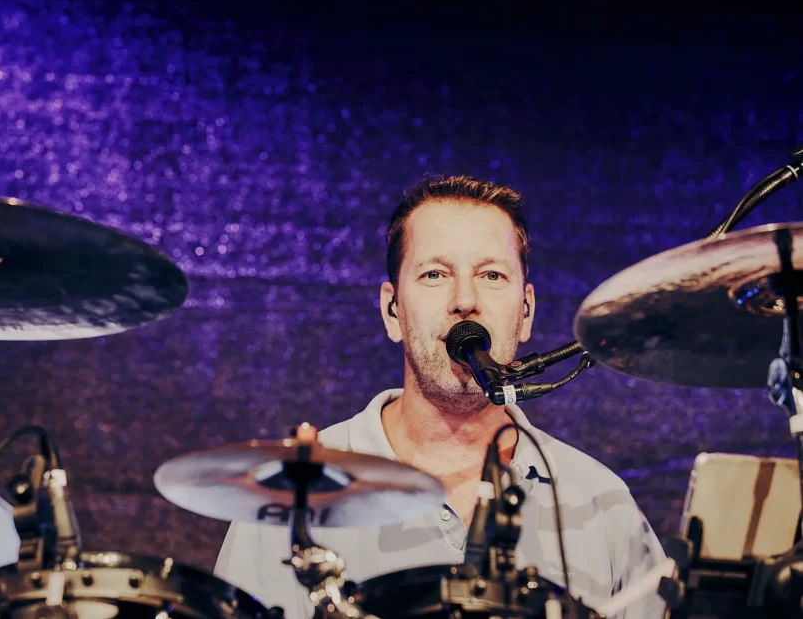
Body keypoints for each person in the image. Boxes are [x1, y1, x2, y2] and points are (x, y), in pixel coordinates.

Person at [214, 175, 666, 619]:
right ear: (392, 310)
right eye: (435, 274)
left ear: (526, 312)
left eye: (491, 275)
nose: (465, 300)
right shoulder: (292, 493)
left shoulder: (601, 501)